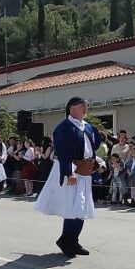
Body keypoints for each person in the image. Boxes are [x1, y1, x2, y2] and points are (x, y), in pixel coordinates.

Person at [35, 97, 101, 258]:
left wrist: (97, 162)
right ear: (72, 108)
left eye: (86, 107)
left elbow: (92, 147)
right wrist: (68, 172)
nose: (86, 109)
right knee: (72, 208)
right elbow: (63, 153)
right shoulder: (63, 128)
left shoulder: (88, 127)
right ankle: (66, 240)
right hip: (71, 170)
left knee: (82, 207)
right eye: (82, 106)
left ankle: (73, 240)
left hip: (84, 171)